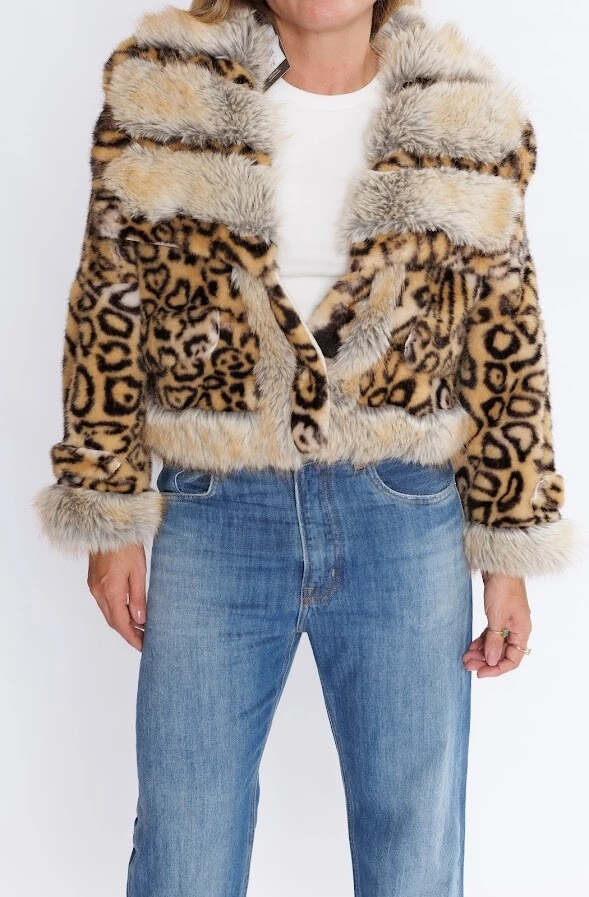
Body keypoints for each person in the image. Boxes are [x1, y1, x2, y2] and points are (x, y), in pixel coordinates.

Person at [34, 1, 577, 894]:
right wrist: (107, 513)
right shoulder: (165, 94)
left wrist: (507, 551)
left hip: (403, 516)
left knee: (413, 855)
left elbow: (504, 343)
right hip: (215, 509)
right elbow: (107, 308)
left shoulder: (466, 117)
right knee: (183, 848)